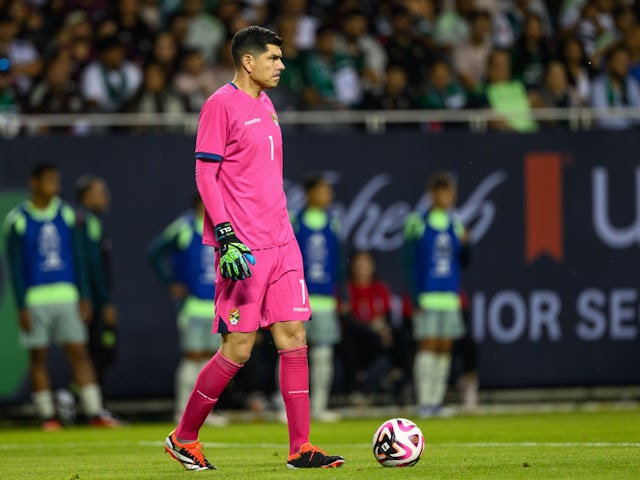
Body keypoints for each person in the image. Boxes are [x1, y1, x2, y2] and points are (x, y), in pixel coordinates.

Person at [163, 26, 344, 471]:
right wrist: (224, 234)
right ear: (248, 61)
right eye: (273, 58)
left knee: (293, 336)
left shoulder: (266, 103)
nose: (281, 65)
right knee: (239, 349)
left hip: (283, 241)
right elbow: (206, 175)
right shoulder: (219, 104)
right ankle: (184, 437)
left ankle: (300, 447)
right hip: (242, 247)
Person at [2, 163, 120, 430]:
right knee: (38, 356)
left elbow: (79, 259)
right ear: (35, 183)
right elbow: (15, 268)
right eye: (48, 181)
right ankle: (47, 415)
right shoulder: (17, 219)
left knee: (79, 352)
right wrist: (21, 304)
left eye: (56, 181)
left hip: (67, 295)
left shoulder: (68, 215)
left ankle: (94, 411)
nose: (54, 186)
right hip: (35, 299)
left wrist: (84, 296)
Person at [146, 194, 228, 427]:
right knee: (192, 356)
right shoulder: (184, 226)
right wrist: (171, 282)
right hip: (193, 306)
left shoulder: (223, 228)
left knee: (212, 360)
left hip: (216, 305)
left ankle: (205, 412)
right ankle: (182, 410)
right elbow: (154, 252)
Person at [403, 172, 470, 418]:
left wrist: (467, 244)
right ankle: (424, 402)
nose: (448, 197)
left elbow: (464, 261)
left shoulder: (456, 224)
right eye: (444, 191)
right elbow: (408, 262)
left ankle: (437, 401)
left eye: (451, 192)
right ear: (433, 194)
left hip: (449, 296)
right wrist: (415, 295)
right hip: (428, 296)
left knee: (444, 347)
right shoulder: (417, 222)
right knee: (428, 346)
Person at [291, 172, 344, 423]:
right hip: (296, 298)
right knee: (292, 353)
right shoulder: (294, 220)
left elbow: (338, 261)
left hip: (324, 300)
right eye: (323, 190)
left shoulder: (333, 222)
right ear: (309, 193)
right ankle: (287, 409)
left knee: (323, 354)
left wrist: (339, 292)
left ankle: (320, 407)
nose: (328, 195)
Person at [75, 175, 118, 401]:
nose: (105, 197)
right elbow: (90, 265)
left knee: (103, 351)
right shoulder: (85, 221)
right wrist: (101, 301)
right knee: (96, 352)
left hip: (96, 300)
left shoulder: (92, 221)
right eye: (99, 193)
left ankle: (89, 403)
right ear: (86, 197)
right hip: (93, 303)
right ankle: (82, 403)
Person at [342, 250, 394, 401]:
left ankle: (386, 381)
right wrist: (370, 328)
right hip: (356, 341)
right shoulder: (347, 289)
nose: (362, 268)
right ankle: (357, 385)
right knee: (350, 342)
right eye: (359, 264)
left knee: (392, 341)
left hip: (377, 341)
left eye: (366, 264)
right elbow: (346, 319)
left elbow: (388, 315)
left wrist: (383, 329)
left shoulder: (380, 289)